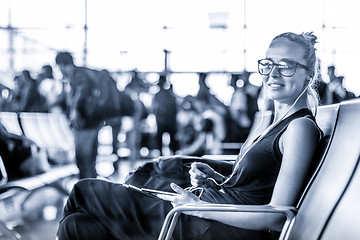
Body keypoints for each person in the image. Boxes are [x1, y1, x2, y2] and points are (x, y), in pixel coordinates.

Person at [56, 32, 323, 240]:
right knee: (77, 227)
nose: (273, 73)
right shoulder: (273, 121)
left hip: (215, 228)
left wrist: (196, 206)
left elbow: (278, 216)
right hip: (211, 216)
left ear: (309, 76)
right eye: (268, 64)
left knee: (83, 190)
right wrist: (216, 178)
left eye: (286, 66)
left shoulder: (299, 128)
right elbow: (256, 188)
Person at [55, 51, 104, 179]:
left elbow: (83, 89)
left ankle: (85, 190)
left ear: (61, 65)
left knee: (83, 159)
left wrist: (75, 109)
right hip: (92, 121)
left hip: (85, 122)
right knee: (89, 159)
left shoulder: (76, 73)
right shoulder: (79, 73)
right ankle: (91, 188)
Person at [152, 75, 179, 155]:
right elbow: (154, 109)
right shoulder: (158, 95)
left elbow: (174, 109)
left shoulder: (169, 95)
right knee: (159, 141)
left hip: (169, 122)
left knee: (173, 142)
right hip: (162, 122)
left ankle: (174, 155)